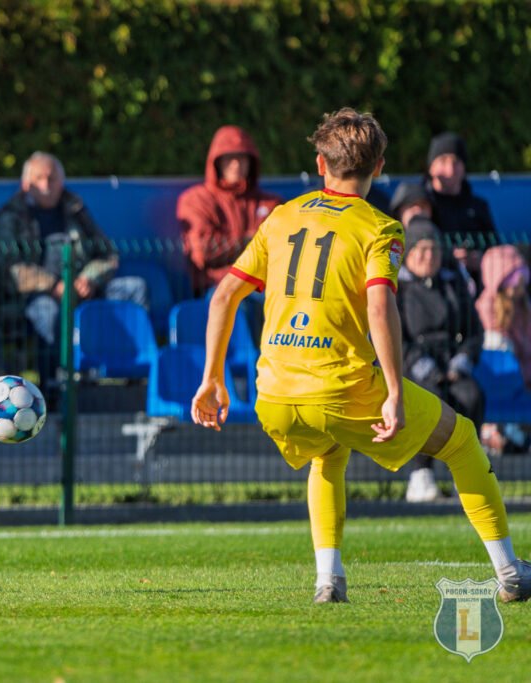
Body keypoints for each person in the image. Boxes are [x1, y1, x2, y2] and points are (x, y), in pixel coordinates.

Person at [191, 107, 531, 604]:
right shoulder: (381, 228)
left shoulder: (281, 217)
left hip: (276, 395)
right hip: (343, 390)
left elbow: (223, 296)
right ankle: (510, 571)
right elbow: (379, 306)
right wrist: (394, 390)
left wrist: (212, 378)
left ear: (320, 164)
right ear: (379, 167)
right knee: (460, 440)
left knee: (327, 454)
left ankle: (328, 580)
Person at [0, 151, 148, 389]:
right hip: (38, 295)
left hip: (83, 288)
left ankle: (133, 373)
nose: (46, 185)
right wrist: (54, 286)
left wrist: (89, 278)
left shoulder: (75, 210)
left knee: (135, 288)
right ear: (26, 184)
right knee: (47, 312)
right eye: (39, 179)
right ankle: (54, 383)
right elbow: (9, 268)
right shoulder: (9, 217)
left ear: (61, 182)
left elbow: (107, 254)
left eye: (51, 178)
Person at [397, 218, 484, 502]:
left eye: (433, 250)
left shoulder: (452, 284)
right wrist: (424, 367)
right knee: (428, 401)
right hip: (414, 367)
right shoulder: (399, 289)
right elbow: (396, 338)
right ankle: (421, 473)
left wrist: (461, 361)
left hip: (451, 364)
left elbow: (474, 331)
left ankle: (465, 472)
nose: (428, 257)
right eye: (421, 250)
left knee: (471, 397)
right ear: (409, 253)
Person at [176, 125, 281, 297]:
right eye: (229, 158)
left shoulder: (271, 203)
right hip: (218, 287)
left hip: (268, 283)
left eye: (242, 158)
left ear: (251, 162)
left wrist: (241, 244)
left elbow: (282, 245)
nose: (236, 165)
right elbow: (204, 250)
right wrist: (253, 240)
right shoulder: (196, 199)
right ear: (216, 162)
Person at [476, 245, 531, 455]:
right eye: (515, 279)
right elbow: (496, 346)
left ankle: (513, 435)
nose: (520, 285)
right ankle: (500, 433)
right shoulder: (486, 306)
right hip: (500, 374)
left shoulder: (523, 307)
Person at [424, 132, 497, 291]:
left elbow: (495, 247)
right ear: (431, 167)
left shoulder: (478, 207)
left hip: (478, 289)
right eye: (443, 161)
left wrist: (481, 259)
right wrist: (447, 257)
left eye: (456, 162)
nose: (450, 169)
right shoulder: (421, 204)